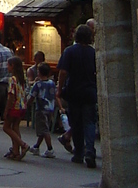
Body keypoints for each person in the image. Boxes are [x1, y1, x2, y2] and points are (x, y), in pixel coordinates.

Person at [57, 23, 98, 167]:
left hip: (74, 91)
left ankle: (79, 152)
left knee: (76, 122)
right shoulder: (93, 53)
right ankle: (90, 151)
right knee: (90, 122)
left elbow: (63, 72)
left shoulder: (69, 51)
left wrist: (59, 89)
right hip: (90, 91)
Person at [2, 55, 30, 159]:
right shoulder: (22, 78)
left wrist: (6, 109)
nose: (7, 68)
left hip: (14, 106)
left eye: (8, 66)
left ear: (12, 66)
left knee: (6, 127)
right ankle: (15, 150)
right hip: (22, 106)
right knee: (15, 127)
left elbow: (11, 95)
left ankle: (23, 145)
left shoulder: (12, 79)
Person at [28, 63, 57, 157]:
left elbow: (32, 96)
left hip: (41, 108)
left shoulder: (38, 84)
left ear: (39, 73)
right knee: (44, 127)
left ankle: (50, 149)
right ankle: (36, 146)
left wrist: (27, 104)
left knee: (44, 129)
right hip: (50, 108)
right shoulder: (51, 83)